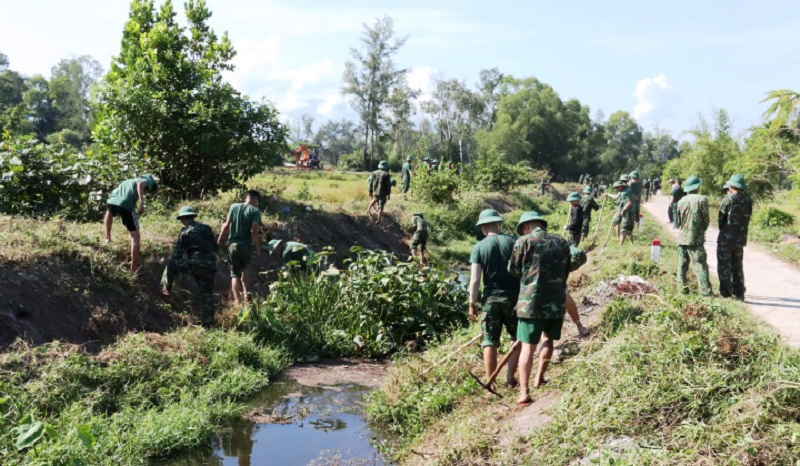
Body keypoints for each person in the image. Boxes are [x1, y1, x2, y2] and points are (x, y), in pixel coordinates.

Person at [508, 211, 571, 405]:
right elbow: (568, 268)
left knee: (528, 346)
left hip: (530, 304)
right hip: (556, 302)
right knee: (548, 339)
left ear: (527, 226)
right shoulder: (562, 242)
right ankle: (540, 377)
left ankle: (524, 391)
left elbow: (513, 270)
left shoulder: (524, 242)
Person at [468, 209, 521, 390]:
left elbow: (475, 279)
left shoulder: (478, 247)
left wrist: (471, 304)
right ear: (499, 224)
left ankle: (490, 381)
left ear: (483, 228)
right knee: (516, 336)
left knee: (489, 340)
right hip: (514, 298)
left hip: (490, 300)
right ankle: (510, 378)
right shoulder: (514, 242)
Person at [161, 207, 218, 327]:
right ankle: (208, 325)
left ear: (182, 219)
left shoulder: (185, 231)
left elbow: (177, 254)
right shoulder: (207, 228)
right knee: (206, 295)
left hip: (196, 265)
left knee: (171, 262)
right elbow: (215, 247)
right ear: (192, 217)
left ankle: (166, 289)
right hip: (211, 266)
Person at [104, 174, 158, 273]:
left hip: (112, 200)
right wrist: (141, 202)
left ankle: (107, 237)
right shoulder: (147, 180)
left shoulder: (128, 181)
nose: (147, 191)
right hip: (126, 204)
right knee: (135, 236)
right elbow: (141, 184)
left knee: (109, 212)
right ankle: (134, 267)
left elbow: (114, 198)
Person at [217, 190, 262, 304]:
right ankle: (246, 294)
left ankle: (237, 302)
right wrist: (257, 248)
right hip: (246, 245)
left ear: (247, 197)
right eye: (257, 201)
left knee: (234, 274)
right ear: (255, 200)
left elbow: (226, 225)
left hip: (233, 245)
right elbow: (254, 231)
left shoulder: (234, 206)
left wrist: (219, 240)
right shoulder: (255, 211)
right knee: (244, 268)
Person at [717, 174, 752, 300]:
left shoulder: (728, 200)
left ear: (731, 187)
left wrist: (725, 233)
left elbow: (721, 220)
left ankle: (726, 294)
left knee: (724, 266)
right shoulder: (748, 200)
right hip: (740, 239)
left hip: (726, 239)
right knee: (737, 266)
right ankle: (739, 293)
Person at [676, 176, 712, 296]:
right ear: (697, 187)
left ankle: (682, 289)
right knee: (700, 264)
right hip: (696, 238)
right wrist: (702, 230)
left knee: (682, 264)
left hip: (682, 237)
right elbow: (706, 219)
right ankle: (705, 291)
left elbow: (679, 221)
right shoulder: (702, 199)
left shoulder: (681, 201)